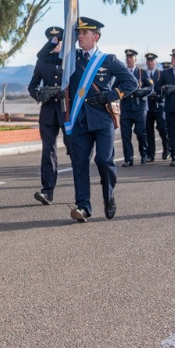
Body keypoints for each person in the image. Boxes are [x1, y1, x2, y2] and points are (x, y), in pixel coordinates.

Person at [60, 16, 137, 222]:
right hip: (79, 120)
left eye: (84, 33)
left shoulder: (108, 60)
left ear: (96, 36)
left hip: (102, 119)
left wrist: (109, 95)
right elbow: (46, 56)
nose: (80, 36)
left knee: (103, 159)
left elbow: (131, 83)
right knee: (79, 163)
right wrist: (62, 35)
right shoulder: (71, 58)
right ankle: (83, 206)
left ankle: (109, 195)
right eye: (78, 32)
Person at [27, 27, 65, 203]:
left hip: (67, 110)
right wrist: (40, 95)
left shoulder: (70, 59)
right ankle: (47, 191)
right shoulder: (42, 62)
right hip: (49, 111)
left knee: (75, 148)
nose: (56, 43)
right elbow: (32, 86)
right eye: (52, 40)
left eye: (58, 40)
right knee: (48, 151)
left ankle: (82, 193)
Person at [117, 48, 151, 167]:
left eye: (131, 57)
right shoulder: (122, 73)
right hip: (126, 107)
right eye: (127, 57)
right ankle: (128, 158)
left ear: (135, 59)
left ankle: (144, 154)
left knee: (141, 133)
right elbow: (115, 88)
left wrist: (142, 92)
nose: (129, 59)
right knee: (125, 135)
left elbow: (150, 88)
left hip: (139, 108)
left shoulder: (142, 72)